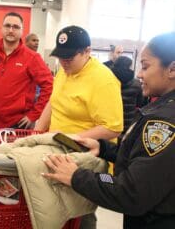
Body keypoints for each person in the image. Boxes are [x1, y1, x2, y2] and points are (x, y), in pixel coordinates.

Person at [42, 31, 175, 229]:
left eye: (145, 66)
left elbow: (131, 191)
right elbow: (145, 161)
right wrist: (104, 149)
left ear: (172, 69)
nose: (139, 73)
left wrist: (77, 176)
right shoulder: (160, 109)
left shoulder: (164, 122)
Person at [34, 25, 124, 229]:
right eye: (61, 58)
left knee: (79, 213)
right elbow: (53, 101)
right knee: (54, 208)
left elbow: (112, 127)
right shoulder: (65, 70)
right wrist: (37, 132)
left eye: (69, 58)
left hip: (82, 158)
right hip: (56, 150)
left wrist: (70, 138)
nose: (63, 63)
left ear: (87, 52)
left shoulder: (103, 80)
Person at [111, 56, 145, 138]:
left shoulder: (109, 82)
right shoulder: (137, 84)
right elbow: (140, 103)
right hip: (128, 123)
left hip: (111, 122)